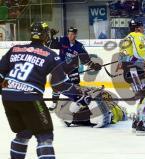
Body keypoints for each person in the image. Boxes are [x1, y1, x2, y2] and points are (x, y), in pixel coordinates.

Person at [0, 22, 92, 159]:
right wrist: (78, 96)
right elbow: (60, 84)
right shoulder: (50, 55)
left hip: (8, 98)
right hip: (30, 99)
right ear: (45, 35)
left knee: (24, 133)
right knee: (45, 136)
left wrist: (11, 90)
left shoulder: (15, 49)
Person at [118, 19, 145, 135]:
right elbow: (139, 53)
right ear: (137, 28)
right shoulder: (138, 35)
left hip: (129, 71)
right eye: (141, 27)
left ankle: (137, 122)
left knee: (144, 95)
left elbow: (121, 60)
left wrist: (140, 60)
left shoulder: (126, 39)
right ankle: (140, 124)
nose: (143, 29)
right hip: (134, 70)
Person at [47, 26, 102, 111]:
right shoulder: (63, 40)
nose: (70, 36)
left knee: (76, 86)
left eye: (72, 34)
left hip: (73, 68)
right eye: (69, 34)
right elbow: (49, 44)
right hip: (61, 67)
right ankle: (54, 102)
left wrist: (94, 66)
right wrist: (51, 36)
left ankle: (78, 101)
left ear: (75, 35)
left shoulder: (79, 46)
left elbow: (85, 60)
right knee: (56, 85)